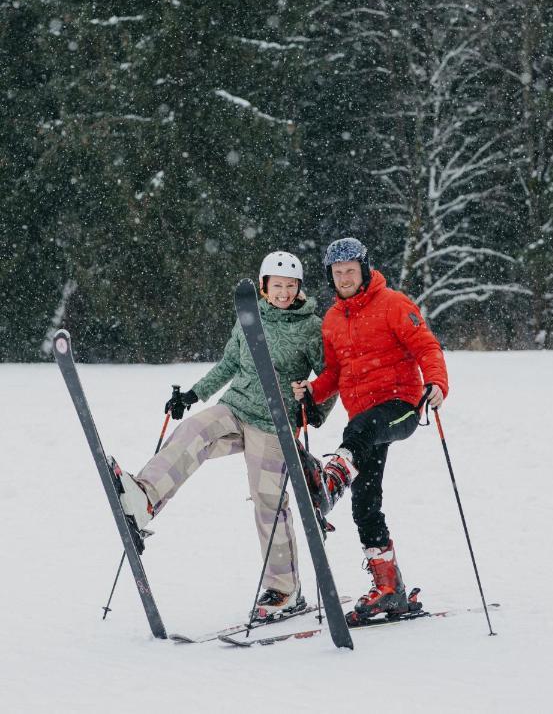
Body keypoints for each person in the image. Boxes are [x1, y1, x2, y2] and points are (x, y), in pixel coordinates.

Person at [110, 251, 333, 621]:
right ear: (263, 288)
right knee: (195, 429)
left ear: (299, 289)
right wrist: (193, 395)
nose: (283, 292)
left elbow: (329, 378)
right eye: (276, 285)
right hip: (236, 407)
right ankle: (144, 499)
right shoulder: (250, 317)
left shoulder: (310, 327)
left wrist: (314, 404)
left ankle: (285, 590)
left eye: (290, 286)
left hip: (274, 424)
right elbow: (229, 363)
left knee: (267, 501)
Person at [292, 237, 448, 624]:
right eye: (337, 272)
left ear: (364, 270)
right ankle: (389, 588)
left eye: (350, 270)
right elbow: (335, 374)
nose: (344, 277)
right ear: (330, 276)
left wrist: (437, 383)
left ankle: (330, 482)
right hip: (361, 425)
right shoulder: (332, 320)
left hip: (400, 407)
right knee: (365, 503)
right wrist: (313, 389)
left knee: (360, 429)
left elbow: (427, 347)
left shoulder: (394, 304)